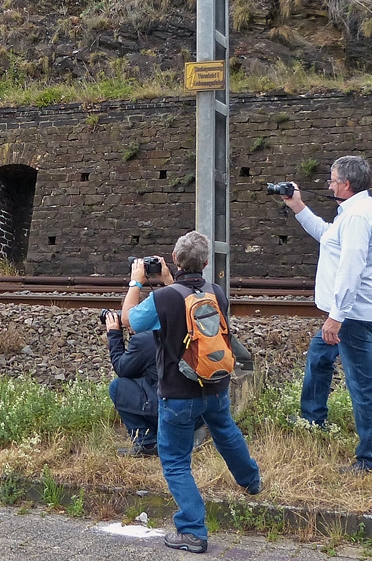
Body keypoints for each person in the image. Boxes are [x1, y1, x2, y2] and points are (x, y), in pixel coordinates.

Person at [122, 231, 260, 555]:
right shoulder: (216, 292)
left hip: (179, 394)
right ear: (207, 262)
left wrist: (135, 283)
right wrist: (170, 281)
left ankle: (193, 531)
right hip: (216, 387)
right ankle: (251, 480)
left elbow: (131, 321)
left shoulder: (164, 299)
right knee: (225, 431)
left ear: (173, 257)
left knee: (174, 461)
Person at [278, 155, 372, 473]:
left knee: (361, 383)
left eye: (332, 179)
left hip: (351, 314)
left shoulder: (357, 218)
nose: (329, 184)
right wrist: (298, 206)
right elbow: (329, 238)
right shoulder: (357, 212)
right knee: (319, 356)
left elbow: (350, 268)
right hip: (350, 311)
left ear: (346, 184)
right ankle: (313, 420)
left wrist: (336, 316)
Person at [104, 311, 159, 456]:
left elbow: (122, 369)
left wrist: (114, 335)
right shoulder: (174, 328)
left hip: (167, 407)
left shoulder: (145, 340)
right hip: (194, 410)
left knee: (118, 387)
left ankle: (146, 442)